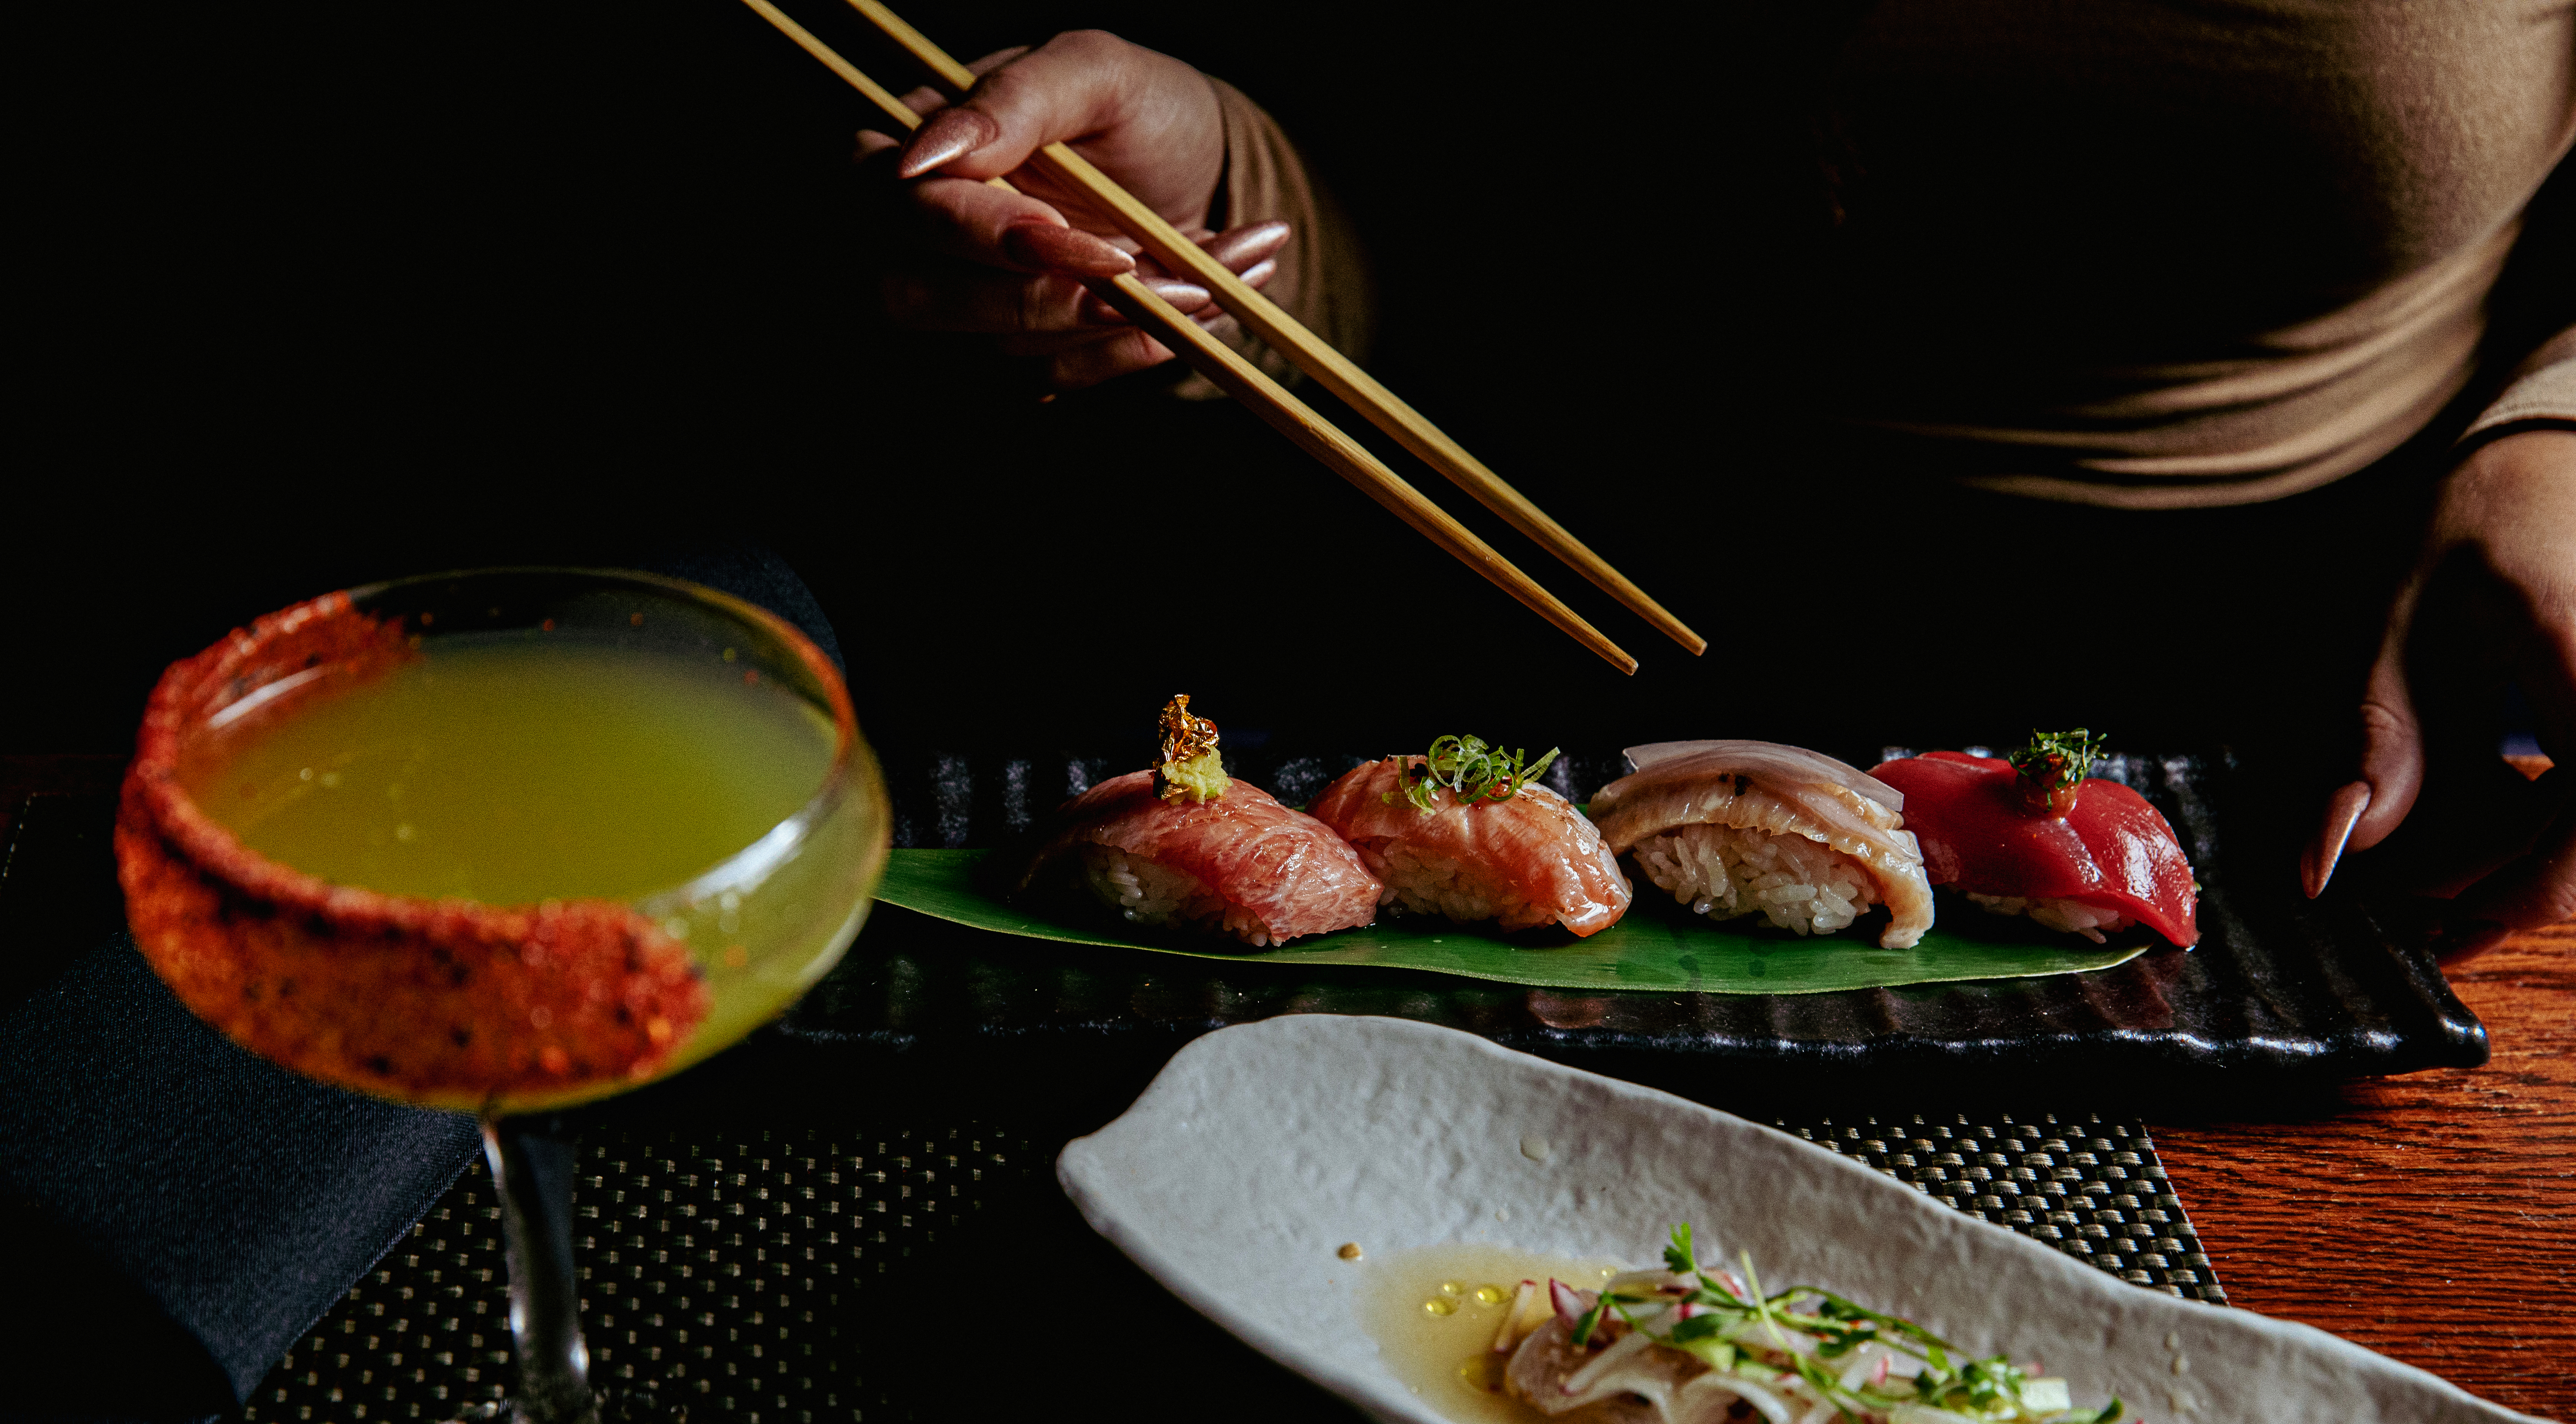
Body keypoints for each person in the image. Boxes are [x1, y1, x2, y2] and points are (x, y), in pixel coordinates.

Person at [853, 19, 2574, 956]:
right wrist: (1224, 201)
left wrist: (2559, 439)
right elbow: (1462, 140)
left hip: (2271, 708)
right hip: (1430, 568)